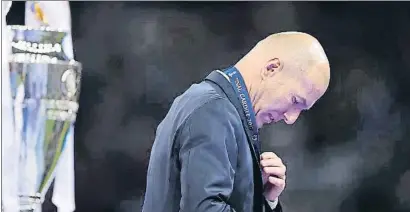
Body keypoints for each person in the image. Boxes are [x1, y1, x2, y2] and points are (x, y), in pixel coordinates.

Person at [142, 32, 330, 212]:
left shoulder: (208, 104)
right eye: (295, 101)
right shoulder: (214, 111)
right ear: (271, 69)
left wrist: (262, 198)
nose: (291, 118)